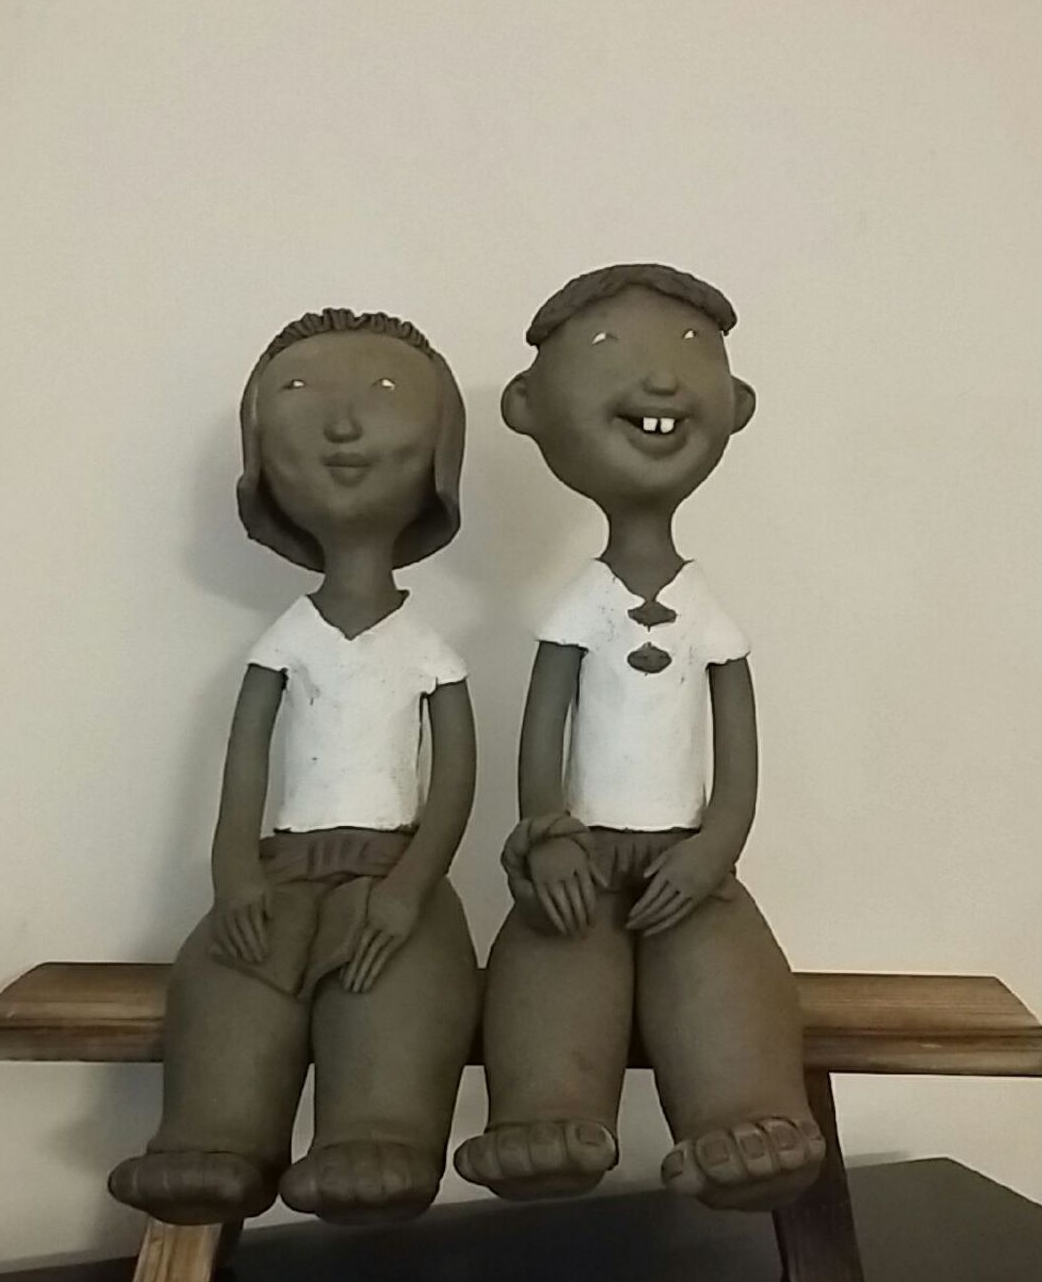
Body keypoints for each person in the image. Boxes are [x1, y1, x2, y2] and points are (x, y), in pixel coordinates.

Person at [455, 265, 823, 1212]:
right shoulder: (577, 611)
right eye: (610, 351)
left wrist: (716, 848)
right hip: (584, 849)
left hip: (686, 854)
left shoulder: (709, 617)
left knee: (721, 952)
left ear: (737, 406)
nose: (661, 380)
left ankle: (748, 1113)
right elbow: (542, 736)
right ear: (528, 409)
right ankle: (545, 1112)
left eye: (692, 355)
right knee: (554, 941)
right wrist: (547, 834)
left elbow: (737, 757)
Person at [110, 309, 478, 1228]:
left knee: (398, 980)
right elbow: (245, 766)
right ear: (259, 459)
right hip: (281, 870)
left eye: (385, 395)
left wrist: (409, 891)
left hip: (390, 872)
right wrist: (234, 876)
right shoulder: (286, 644)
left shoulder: (426, 650)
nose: (343, 426)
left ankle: (380, 1133)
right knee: (226, 976)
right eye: (302, 395)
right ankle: (216, 1135)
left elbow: (454, 782)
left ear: (441, 457)